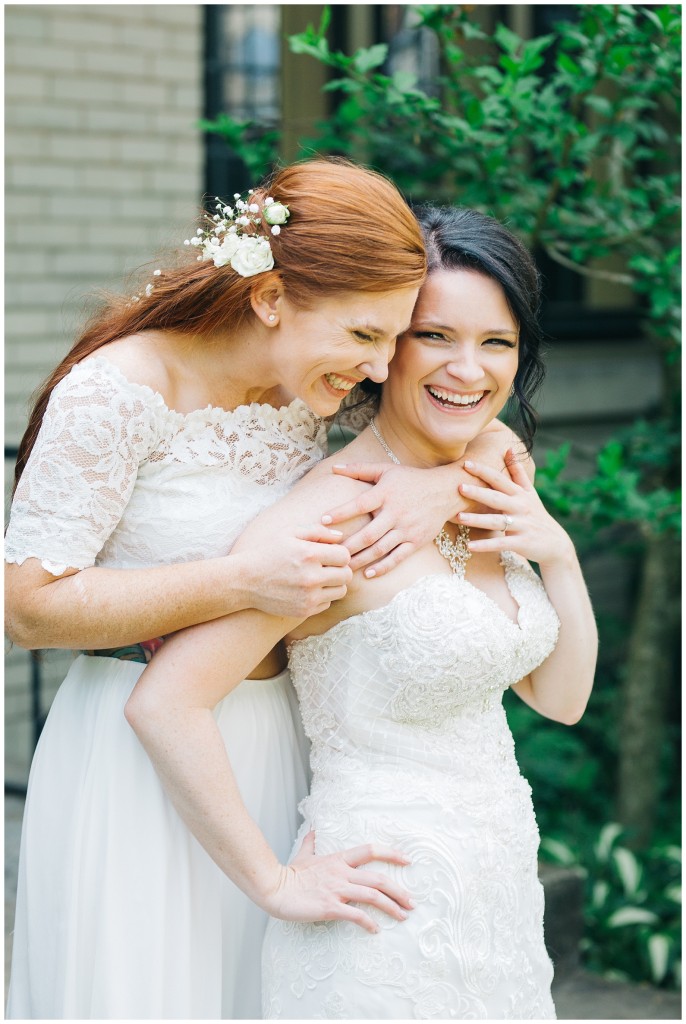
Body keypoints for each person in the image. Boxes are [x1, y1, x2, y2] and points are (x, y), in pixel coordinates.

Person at [5, 161, 519, 1020]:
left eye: (393, 340)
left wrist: (445, 487)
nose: (377, 367)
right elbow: (27, 606)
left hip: (281, 753)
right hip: (141, 760)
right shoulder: (117, 391)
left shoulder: (307, 390)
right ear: (273, 296)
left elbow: (475, 414)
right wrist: (241, 579)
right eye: (363, 336)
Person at [126, 205, 598, 1019]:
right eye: (435, 337)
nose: (468, 369)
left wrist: (557, 552)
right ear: (385, 348)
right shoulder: (329, 517)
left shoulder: (492, 479)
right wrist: (273, 882)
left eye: (497, 343)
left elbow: (559, 701)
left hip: (497, 902)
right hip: (380, 913)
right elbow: (167, 702)